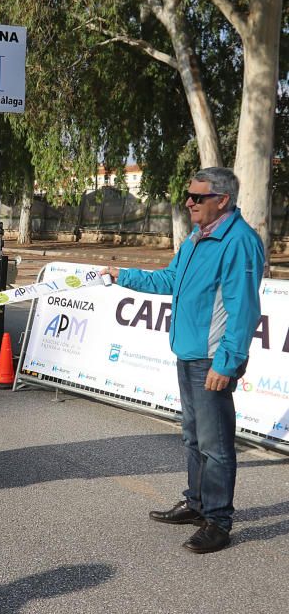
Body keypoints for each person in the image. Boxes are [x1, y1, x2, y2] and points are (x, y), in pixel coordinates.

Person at [102, 167, 264, 554]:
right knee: (193, 438)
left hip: (211, 360)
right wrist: (122, 274)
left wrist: (227, 363)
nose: (188, 202)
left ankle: (219, 521)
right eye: (188, 196)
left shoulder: (239, 241)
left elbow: (243, 310)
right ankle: (196, 503)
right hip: (188, 354)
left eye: (197, 197)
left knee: (216, 444)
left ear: (222, 200)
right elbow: (169, 280)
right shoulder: (197, 237)